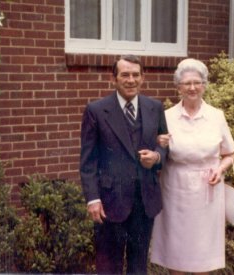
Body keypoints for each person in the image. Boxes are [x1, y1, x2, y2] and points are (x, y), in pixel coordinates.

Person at [79, 54, 168, 274]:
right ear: (114, 78)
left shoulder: (154, 107)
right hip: (110, 202)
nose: (131, 80)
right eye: (125, 75)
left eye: (136, 75)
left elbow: (164, 146)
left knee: (138, 266)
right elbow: (88, 161)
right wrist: (93, 198)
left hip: (144, 201)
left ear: (143, 77)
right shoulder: (97, 111)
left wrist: (156, 157)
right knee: (109, 265)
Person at [150, 58, 234, 274]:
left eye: (197, 82)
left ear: (204, 85)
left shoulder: (216, 117)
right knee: (177, 254)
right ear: (178, 87)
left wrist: (220, 168)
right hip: (174, 192)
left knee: (202, 256)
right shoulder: (167, 117)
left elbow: (229, 153)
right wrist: (158, 145)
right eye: (187, 83)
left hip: (207, 193)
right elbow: (158, 154)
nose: (192, 88)